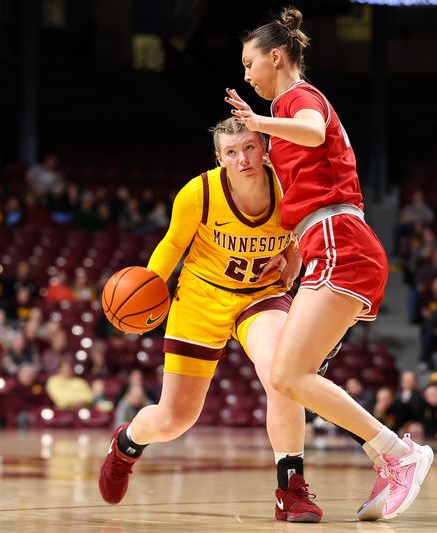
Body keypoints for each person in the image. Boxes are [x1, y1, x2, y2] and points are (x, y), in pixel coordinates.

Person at [225, 8, 432, 521]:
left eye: (251, 63)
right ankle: (391, 455)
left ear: (277, 57)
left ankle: (399, 454)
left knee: (289, 374)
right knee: (288, 376)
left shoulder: (300, 99)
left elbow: (314, 132)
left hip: (342, 242)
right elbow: (307, 192)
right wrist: (292, 249)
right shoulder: (282, 120)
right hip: (323, 244)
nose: (247, 75)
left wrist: (257, 121)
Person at [98, 118, 325, 523]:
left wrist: (293, 258)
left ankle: (290, 489)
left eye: (250, 148)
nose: (243, 159)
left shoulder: (287, 185)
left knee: (281, 373)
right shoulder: (198, 193)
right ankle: (126, 445)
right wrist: (149, 293)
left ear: (265, 148)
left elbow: (304, 237)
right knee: (174, 420)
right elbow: (171, 245)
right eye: (232, 152)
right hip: (201, 299)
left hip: (261, 295)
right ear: (219, 158)